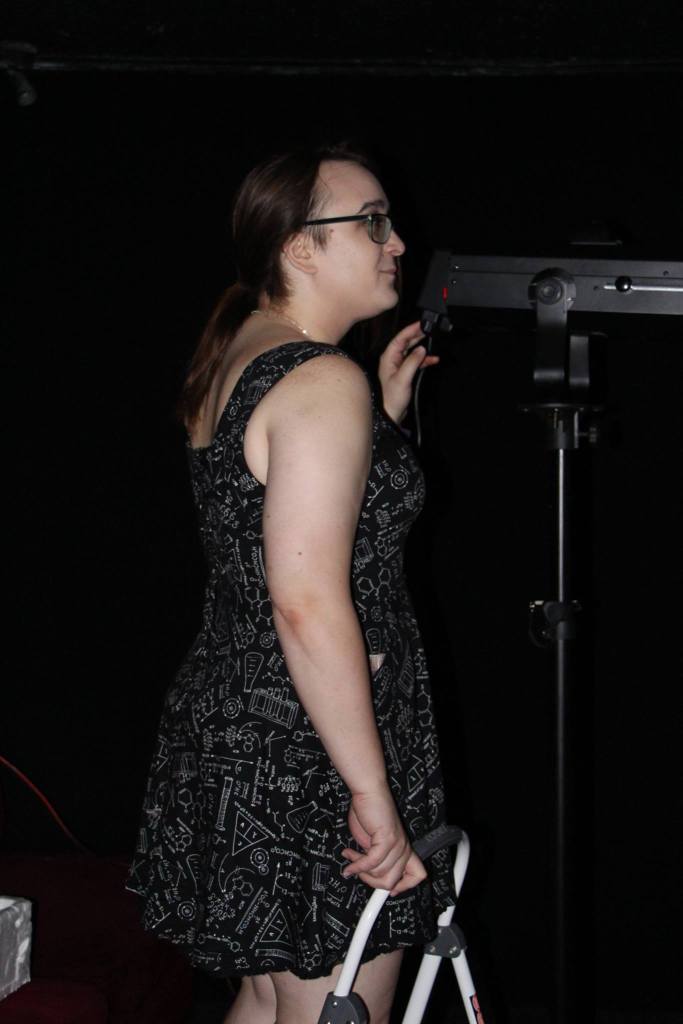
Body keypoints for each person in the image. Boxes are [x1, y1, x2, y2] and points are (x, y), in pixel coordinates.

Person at [127, 143, 452, 1024]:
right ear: (300, 247)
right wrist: (370, 791)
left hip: (244, 724)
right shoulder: (317, 379)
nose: (396, 242)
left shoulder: (245, 351)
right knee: (331, 1003)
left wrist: (378, 418)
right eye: (372, 223)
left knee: (271, 998)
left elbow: (272, 520)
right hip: (312, 745)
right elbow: (305, 602)